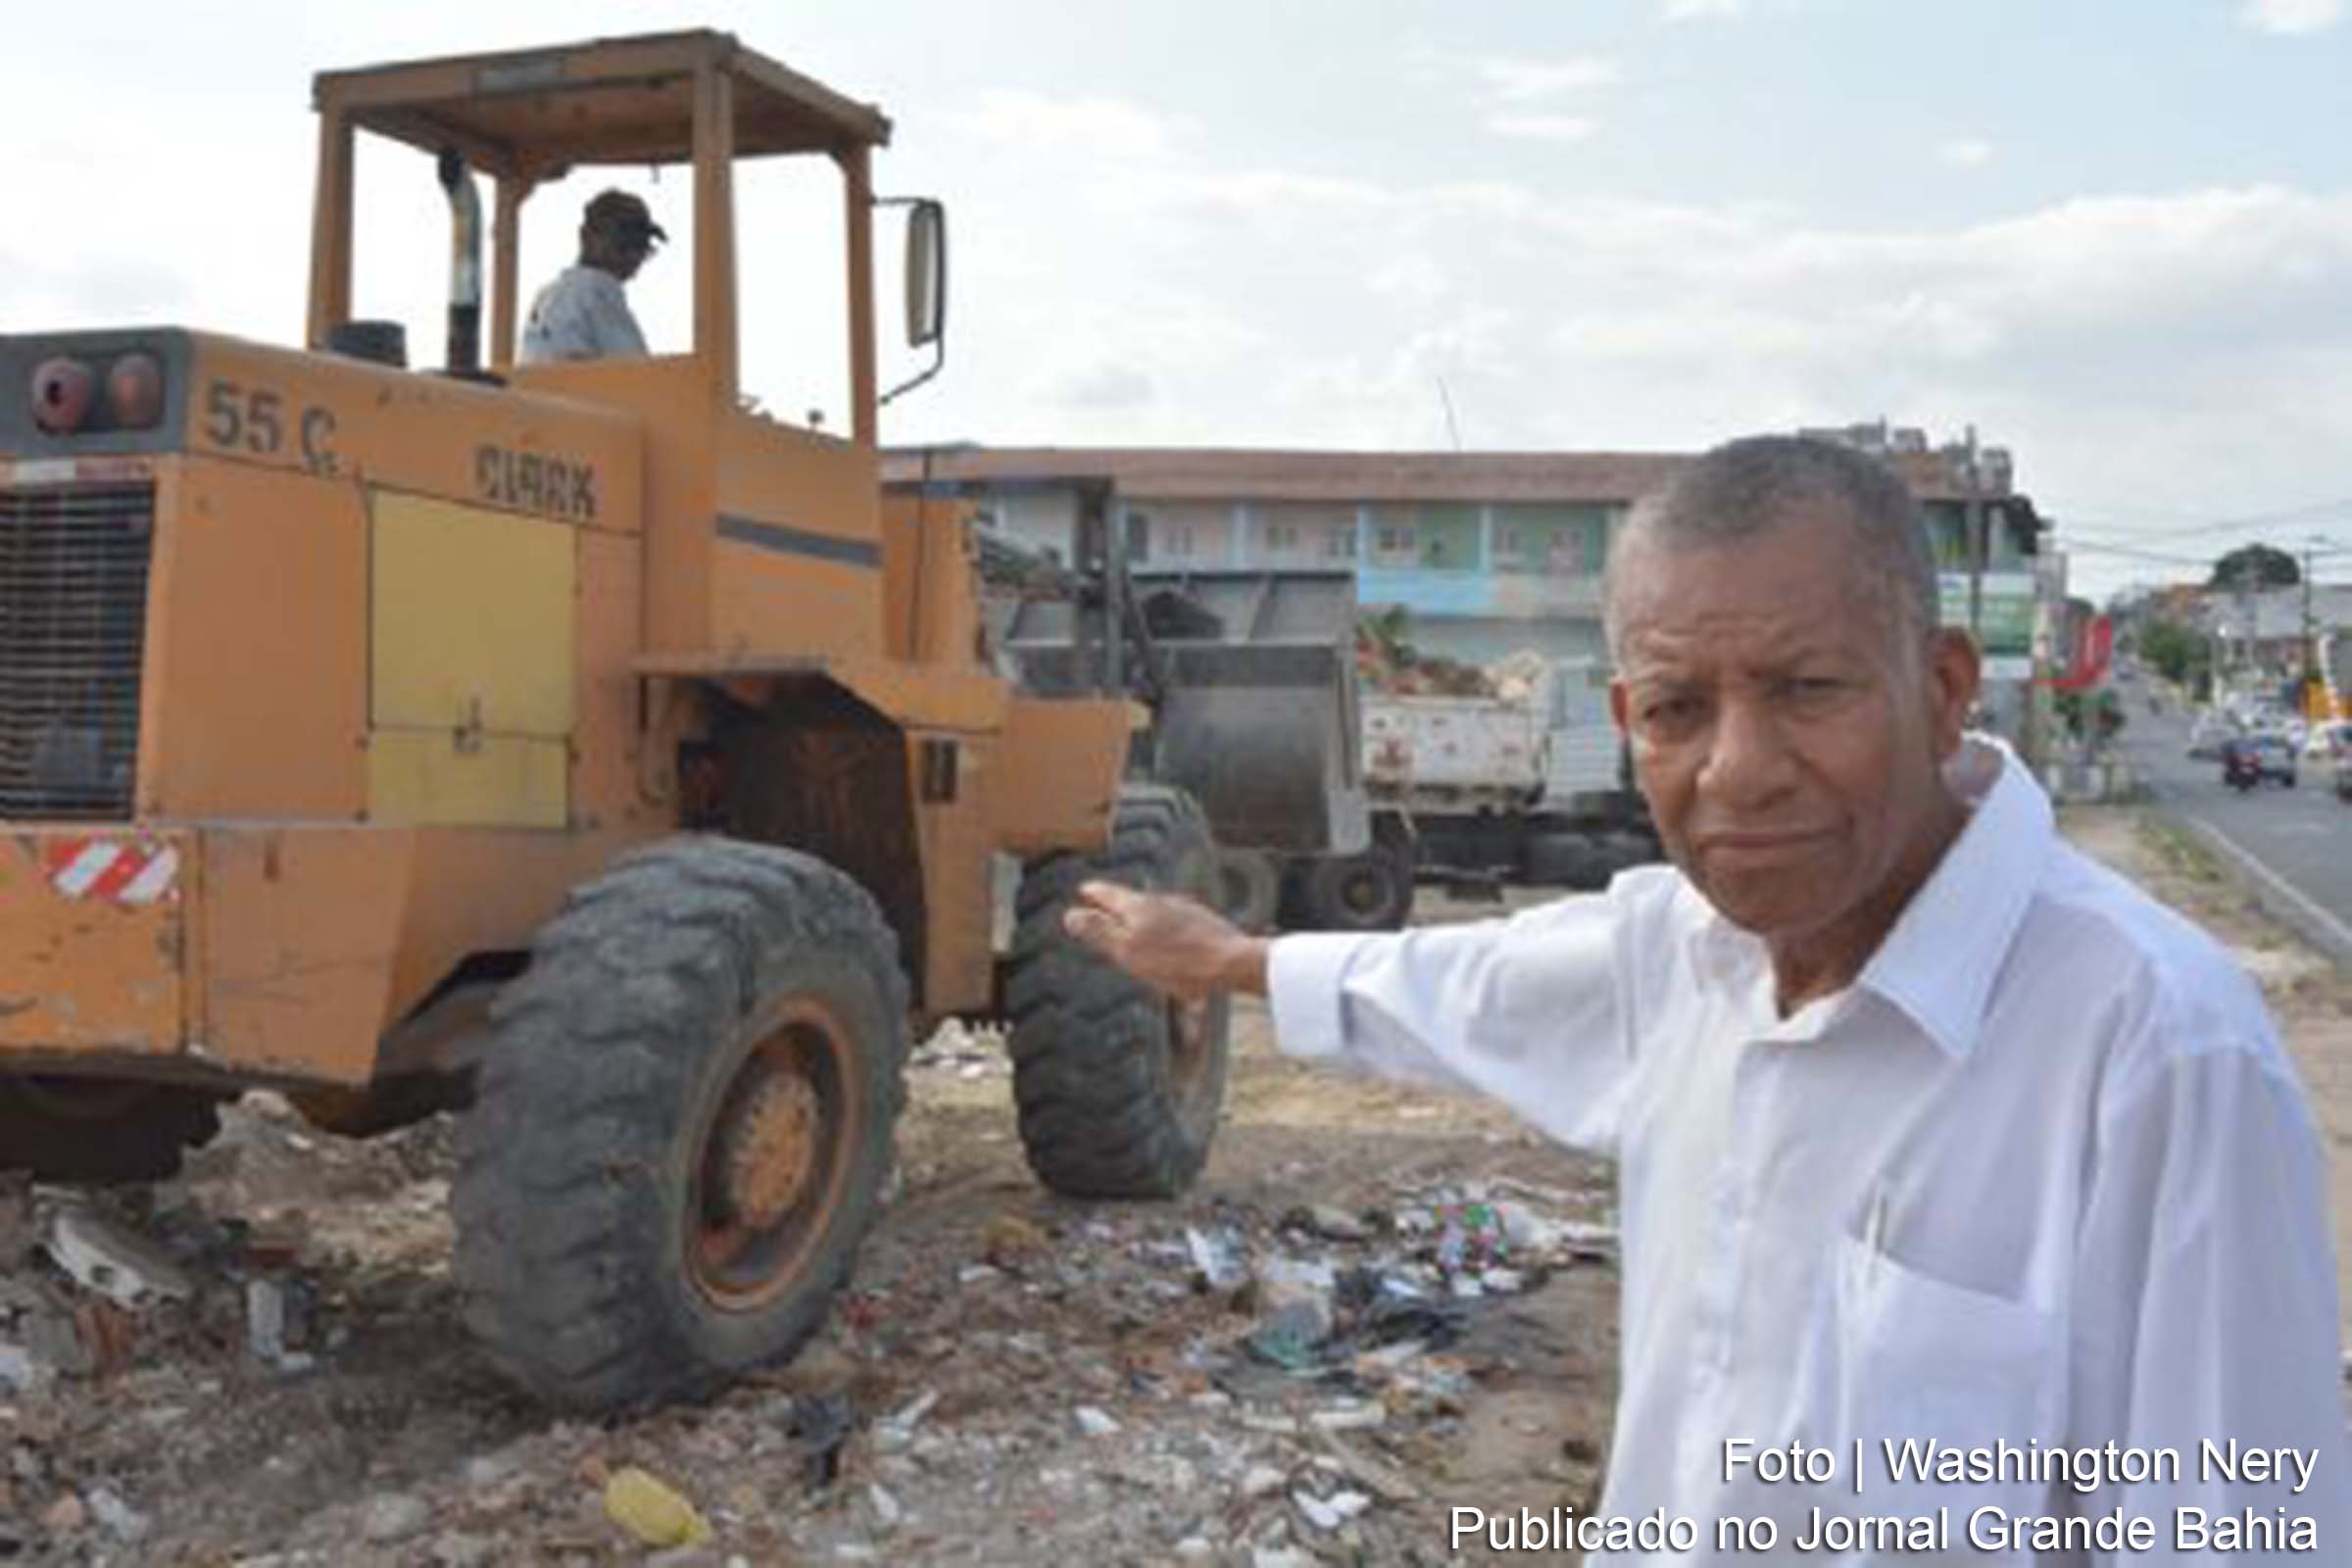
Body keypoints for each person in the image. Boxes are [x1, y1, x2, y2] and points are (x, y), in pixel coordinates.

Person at [1066, 436, 2350, 1562]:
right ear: (1627, 718)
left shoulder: (2157, 1053)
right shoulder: (1677, 956)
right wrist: (1231, 960)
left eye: (1807, 690)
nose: (1738, 771)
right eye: (1680, 710)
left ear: (1944, 691)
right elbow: (1458, 982)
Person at [519, 189, 665, 364]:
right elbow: (635, 367)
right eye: (624, 242)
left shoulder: (546, 295)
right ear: (587, 236)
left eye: (640, 245)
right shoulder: (597, 290)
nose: (633, 254)